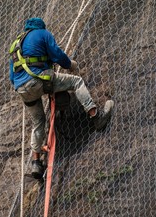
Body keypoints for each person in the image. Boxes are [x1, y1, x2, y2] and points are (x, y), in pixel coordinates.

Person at [9, 17, 114, 179]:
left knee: (38, 122)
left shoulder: (16, 44)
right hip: (38, 80)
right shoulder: (42, 34)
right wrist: (70, 65)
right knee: (76, 82)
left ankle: (36, 163)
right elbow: (57, 55)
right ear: (41, 26)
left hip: (21, 89)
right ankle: (96, 116)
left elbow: (12, 76)